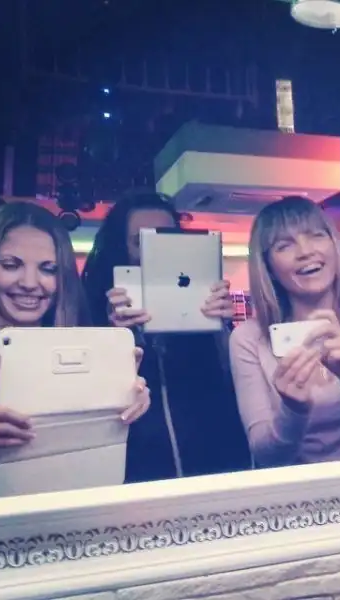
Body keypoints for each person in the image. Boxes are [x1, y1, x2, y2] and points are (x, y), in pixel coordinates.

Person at [0, 202, 150, 504]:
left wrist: (124, 405)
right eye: (11, 265)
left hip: (74, 516)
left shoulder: (79, 344)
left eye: (48, 269)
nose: (30, 283)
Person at [81, 191, 252, 482]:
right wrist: (115, 340)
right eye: (141, 241)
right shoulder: (91, 317)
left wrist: (223, 330)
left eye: (164, 237)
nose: (154, 249)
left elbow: (234, 388)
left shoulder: (203, 305)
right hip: (137, 483)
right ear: (120, 249)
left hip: (216, 477)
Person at [229, 196, 340, 467]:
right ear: (268, 267)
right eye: (284, 245)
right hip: (302, 487)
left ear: (334, 245)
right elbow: (266, 457)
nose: (305, 251)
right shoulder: (248, 339)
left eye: (316, 235)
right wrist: (293, 410)